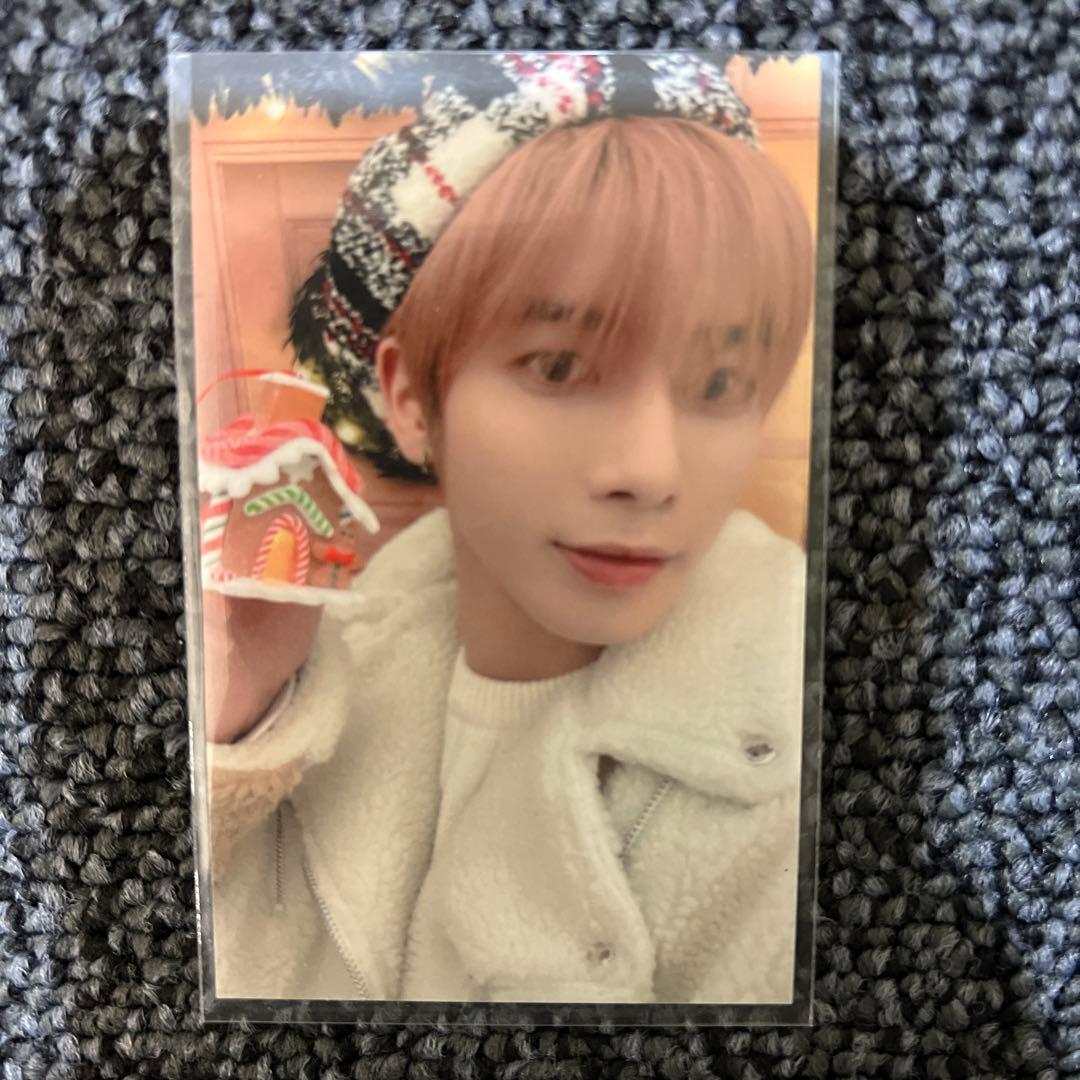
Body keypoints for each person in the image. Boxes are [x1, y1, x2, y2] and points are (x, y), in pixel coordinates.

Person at [202, 52, 815, 1005]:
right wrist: (237, 734)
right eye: (560, 366)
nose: (651, 471)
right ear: (411, 397)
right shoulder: (326, 690)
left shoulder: (801, 783)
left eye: (720, 383)